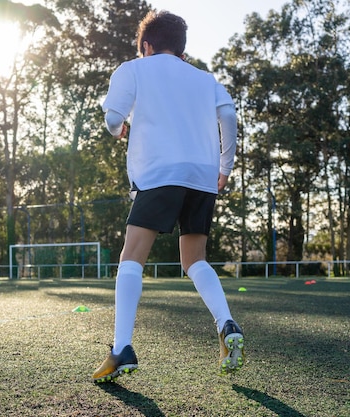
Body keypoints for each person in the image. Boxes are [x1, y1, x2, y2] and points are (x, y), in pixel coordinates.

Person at [92, 10, 243, 383]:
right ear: (182, 51)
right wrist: (224, 167)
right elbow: (229, 115)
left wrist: (119, 128)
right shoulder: (204, 78)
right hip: (202, 177)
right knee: (194, 260)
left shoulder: (134, 68)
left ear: (146, 45)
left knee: (132, 258)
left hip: (160, 173)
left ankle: (121, 348)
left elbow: (112, 118)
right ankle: (226, 324)